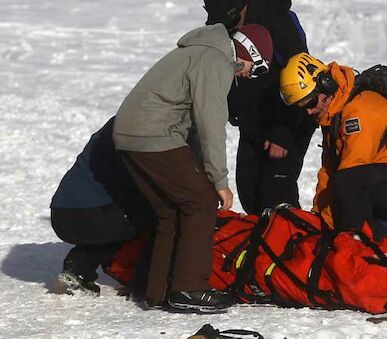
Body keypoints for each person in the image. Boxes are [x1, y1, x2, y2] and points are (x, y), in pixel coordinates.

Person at [112, 23, 273, 313]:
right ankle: (190, 288)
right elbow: (211, 124)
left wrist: (203, 170)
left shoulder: (201, 52)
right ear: (249, 52)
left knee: (170, 210)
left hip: (130, 135)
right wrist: (218, 180)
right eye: (257, 68)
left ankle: (158, 291)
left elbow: (195, 129)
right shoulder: (216, 61)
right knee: (201, 203)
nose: (250, 76)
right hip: (154, 133)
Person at [279, 53, 387, 246]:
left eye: (311, 102)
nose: (309, 111)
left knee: (348, 189)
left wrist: (331, 235)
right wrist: (317, 220)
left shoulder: (358, 112)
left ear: (326, 84)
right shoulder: (334, 113)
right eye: (301, 107)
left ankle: (352, 247)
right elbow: (328, 172)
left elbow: (350, 175)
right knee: (383, 260)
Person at [205, 0, 317, 214]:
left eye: (233, 20)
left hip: (288, 118)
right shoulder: (219, 23)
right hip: (252, 122)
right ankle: (262, 243)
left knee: (276, 193)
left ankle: (291, 240)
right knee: (249, 192)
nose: (232, 28)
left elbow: (300, 80)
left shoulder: (279, 21)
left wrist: (282, 134)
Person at [49, 117, 156, 297]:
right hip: (92, 216)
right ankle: (144, 282)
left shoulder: (119, 123)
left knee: (120, 216)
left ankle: (78, 267)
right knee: (157, 214)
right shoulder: (139, 131)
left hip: (61, 212)